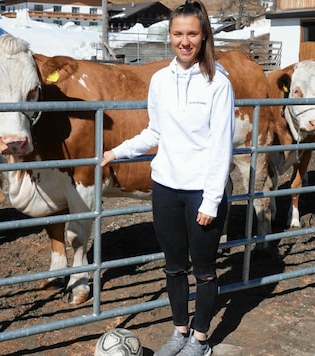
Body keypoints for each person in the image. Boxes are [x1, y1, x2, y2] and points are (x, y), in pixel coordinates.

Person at [100, 1, 234, 355]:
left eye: (192, 33)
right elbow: (153, 132)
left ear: (204, 35)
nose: (184, 41)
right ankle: (179, 331)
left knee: (204, 271)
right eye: (178, 33)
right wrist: (116, 152)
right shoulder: (160, 80)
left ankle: (201, 339)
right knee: (174, 267)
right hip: (166, 189)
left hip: (202, 192)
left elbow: (221, 147)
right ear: (170, 36)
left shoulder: (218, 83)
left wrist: (211, 200)